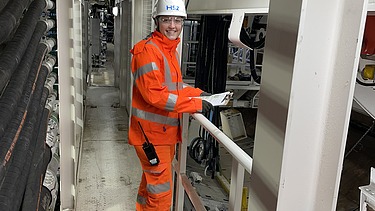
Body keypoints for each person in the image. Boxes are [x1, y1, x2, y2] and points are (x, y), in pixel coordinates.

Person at [128, 0, 213, 210]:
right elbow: (155, 96)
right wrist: (195, 105)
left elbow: (174, 88)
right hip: (152, 137)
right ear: (157, 21)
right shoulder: (147, 51)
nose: (172, 25)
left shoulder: (169, 51)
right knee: (161, 194)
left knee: (151, 186)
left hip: (161, 135)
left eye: (177, 20)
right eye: (167, 20)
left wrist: (200, 94)